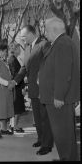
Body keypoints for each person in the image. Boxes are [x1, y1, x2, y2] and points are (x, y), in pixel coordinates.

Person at [39, 17, 80, 161]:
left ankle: (67, 158)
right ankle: (68, 157)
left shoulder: (62, 43)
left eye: (46, 30)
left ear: (54, 30)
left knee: (63, 135)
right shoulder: (62, 42)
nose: (45, 33)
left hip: (59, 99)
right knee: (65, 135)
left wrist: (59, 96)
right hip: (59, 98)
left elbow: (63, 73)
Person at [13, 25, 54, 155]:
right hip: (33, 90)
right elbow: (24, 67)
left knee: (45, 118)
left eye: (24, 36)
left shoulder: (44, 45)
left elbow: (50, 64)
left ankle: (47, 145)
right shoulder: (27, 48)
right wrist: (15, 81)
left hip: (43, 89)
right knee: (37, 118)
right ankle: (41, 139)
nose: (22, 39)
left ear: (32, 33)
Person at [0, 41, 14, 137]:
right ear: (0, 51)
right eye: (5, 51)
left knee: (4, 108)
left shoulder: (2, 60)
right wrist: (7, 82)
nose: (6, 53)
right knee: (0, 108)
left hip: (5, 88)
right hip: (0, 88)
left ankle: (3, 129)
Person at [8, 42, 26, 133]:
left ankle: (13, 125)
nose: (20, 50)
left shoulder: (13, 59)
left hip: (16, 86)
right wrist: (22, 86)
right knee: (17, 107)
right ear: (15, 49)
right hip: (16, 86)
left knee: (16, 107)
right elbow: (16, 75)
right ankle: (15, 126)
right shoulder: (13, 60)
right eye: (18, 49)